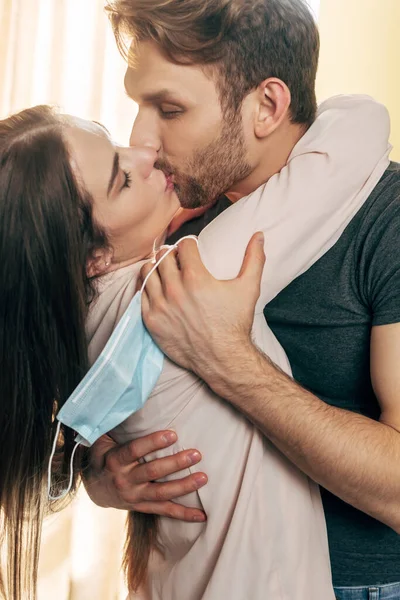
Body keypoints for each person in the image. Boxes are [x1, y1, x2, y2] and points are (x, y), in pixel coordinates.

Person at [0, 98, 389, 598]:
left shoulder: (73, 320)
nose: (144, 152)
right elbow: (355, 137)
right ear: (95, 257)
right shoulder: (178, 286)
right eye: (122, 178)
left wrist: (94, 466)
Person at [86, 1, 400, 599]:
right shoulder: (168, 216)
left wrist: (230, 362)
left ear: (268, 106)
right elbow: (84, 396)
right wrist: (100, 471)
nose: (141, 139)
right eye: (138, 105)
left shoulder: (389, 219)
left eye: (169, 109)